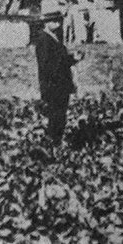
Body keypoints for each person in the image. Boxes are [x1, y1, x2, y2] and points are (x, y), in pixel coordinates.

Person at [34, 11, 83, 147]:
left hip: (59, 85)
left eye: (59, 21)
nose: (58, 24)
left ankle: (56, 143)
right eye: (54, 21)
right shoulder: (44, 40)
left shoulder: (53, 38)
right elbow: (46, 65)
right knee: (56, 117)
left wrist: (73, 58)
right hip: (54, 85)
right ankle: (53, 144)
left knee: (60, 116)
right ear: (47, 23)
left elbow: (59, 60)